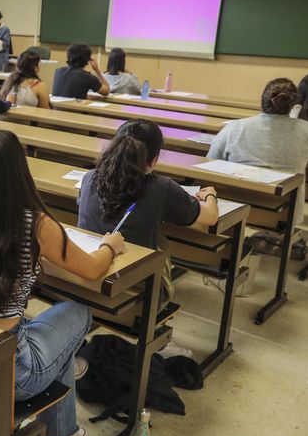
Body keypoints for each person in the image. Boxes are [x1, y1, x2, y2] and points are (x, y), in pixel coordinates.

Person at [0, 130, 125, 436]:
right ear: (17, 172)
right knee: (78, 311)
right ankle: (62, 432)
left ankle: (66, 433)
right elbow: (91, 269)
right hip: (13, 370)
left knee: (51, 341)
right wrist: (110, 246)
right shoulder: (33, 223)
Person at [78, 119, 219, 306]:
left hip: (83, 279)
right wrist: (211, 196)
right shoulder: (162, 187)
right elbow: (210, 217)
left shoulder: (89, 178)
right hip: (135, 295)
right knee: (161, 242)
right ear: (154, 160)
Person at [208, 78, 308, 224]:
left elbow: (210, 161)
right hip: (282, 214)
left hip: (232, 208)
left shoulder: (235, 128)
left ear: (262, 100)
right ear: (293, 104)